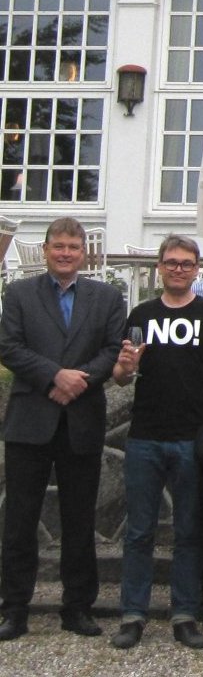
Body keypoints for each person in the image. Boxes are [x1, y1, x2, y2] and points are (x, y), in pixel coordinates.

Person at [110, 236, 203, 652]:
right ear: (160, 267)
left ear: (197, 269)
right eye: (171, 262)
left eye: (186, 263)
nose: (178, 269)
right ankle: (133, 614)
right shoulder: (141, 314)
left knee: (189, 531)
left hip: (191, 437)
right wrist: (125, 368)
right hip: (145, 435)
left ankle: (184, 613)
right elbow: (122, 376)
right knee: (139, 532)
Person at [0, 218, 126, 642]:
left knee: (79, 520)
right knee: (19, 521)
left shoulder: (107, 297)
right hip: (30, 421)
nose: (66, 253)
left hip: (81, 420)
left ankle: (77, 608)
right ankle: (14, 609)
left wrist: (79, 380)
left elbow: (113, 349)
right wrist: (55, 376)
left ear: (83, 253)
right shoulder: (19, 293)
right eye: (59, 246)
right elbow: (9, 346)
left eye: (73, 247)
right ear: (46, 250)